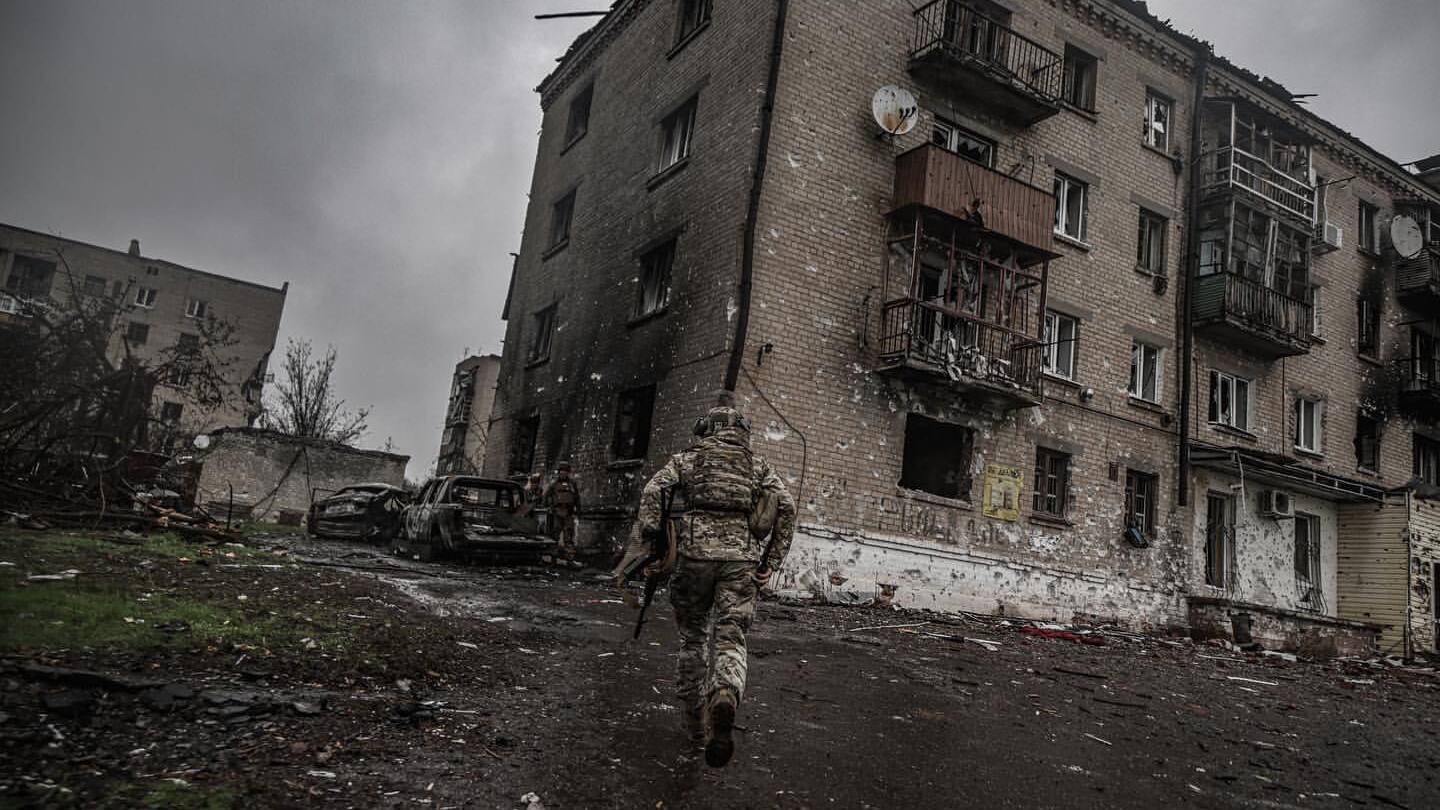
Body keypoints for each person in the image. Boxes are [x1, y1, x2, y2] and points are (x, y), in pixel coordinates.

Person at [637, 397, 796, 768]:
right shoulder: (758, 466)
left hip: (694, 557)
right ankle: (724, 693)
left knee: (693, 637)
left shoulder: (688, 459)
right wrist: (771, 562)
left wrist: (652, 543)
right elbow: (787, 507)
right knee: (730, 636)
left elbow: (653, 491)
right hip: (741, 561)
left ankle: (695, 725)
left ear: (707, 429)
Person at [543, 461, 581, 561]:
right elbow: (546, 496)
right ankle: (552, 558)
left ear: (568, 473)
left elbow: (576, 497)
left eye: (565, 471)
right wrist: (548, 507)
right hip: (557, 512)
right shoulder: (554, 484)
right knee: (555, 535)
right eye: (561, 471)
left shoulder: (572, 484)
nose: (563, 473)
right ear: (559, 472)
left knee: (569, 536)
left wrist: (578, 510)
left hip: (568, 512)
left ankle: (570, 558)